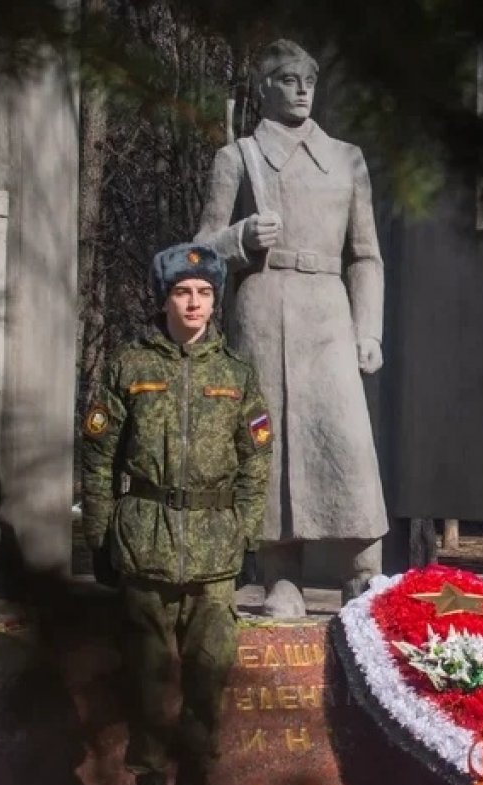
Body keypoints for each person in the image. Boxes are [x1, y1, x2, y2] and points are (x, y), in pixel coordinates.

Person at [195, 38, 386, 610]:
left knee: (346, 438)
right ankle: (281, 574)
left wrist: (368, 330)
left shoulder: (347, 157)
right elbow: (198, 251)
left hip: (328, 308)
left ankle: (363, 568)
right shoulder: (238, 157)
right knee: (268, 443)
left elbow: (367, 255)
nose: (302, 89)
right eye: (287, 78)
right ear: (263, 88)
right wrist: (239, 239)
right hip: (264, 302)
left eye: (309, 79)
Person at [80, 242, 272, 785]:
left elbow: (256, 462)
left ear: (216, 301)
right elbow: (97, 457)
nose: (194, 303)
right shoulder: (129, 365)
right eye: (183, 292)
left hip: (215, 554)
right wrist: (100, 538)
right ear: (164, 299)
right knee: (146, 682)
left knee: (209, 676)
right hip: (144, 546)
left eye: (205, 293)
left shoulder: (237, 374)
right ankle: (151, 784)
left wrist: (249, 538)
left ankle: (194, 780)